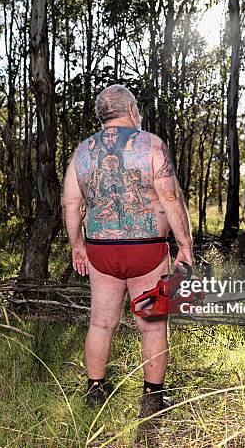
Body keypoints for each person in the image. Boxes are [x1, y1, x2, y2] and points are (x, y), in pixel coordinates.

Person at [62, 84, 193, 417]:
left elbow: (71, 202)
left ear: (101, 116)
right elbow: (170, 198)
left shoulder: (83, 151)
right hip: (145, 250)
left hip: (102, 250)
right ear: (132, 110)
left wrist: (77, 245)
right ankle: (151, 399)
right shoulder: (151, 144)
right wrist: (185, 245)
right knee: (151, 325)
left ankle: (95, 390)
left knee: (102, 324)